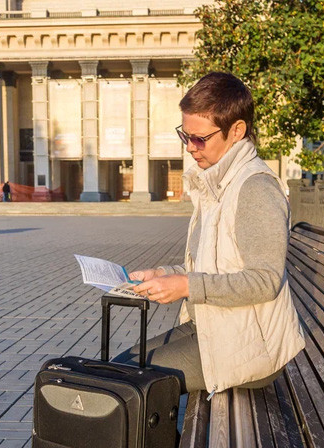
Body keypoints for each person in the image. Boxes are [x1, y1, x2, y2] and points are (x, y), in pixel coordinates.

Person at [112, 72, 305, 397]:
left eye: (199, 138)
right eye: (184, 136)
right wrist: (164, 275)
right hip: (215, 328)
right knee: (118, 367)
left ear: (237, 131)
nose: (190, 147)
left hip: (250, 346)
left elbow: (265, 281)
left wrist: (186, 286)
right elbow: (213, 268)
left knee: (126, 385)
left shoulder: (255, 188)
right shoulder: (215, 182)